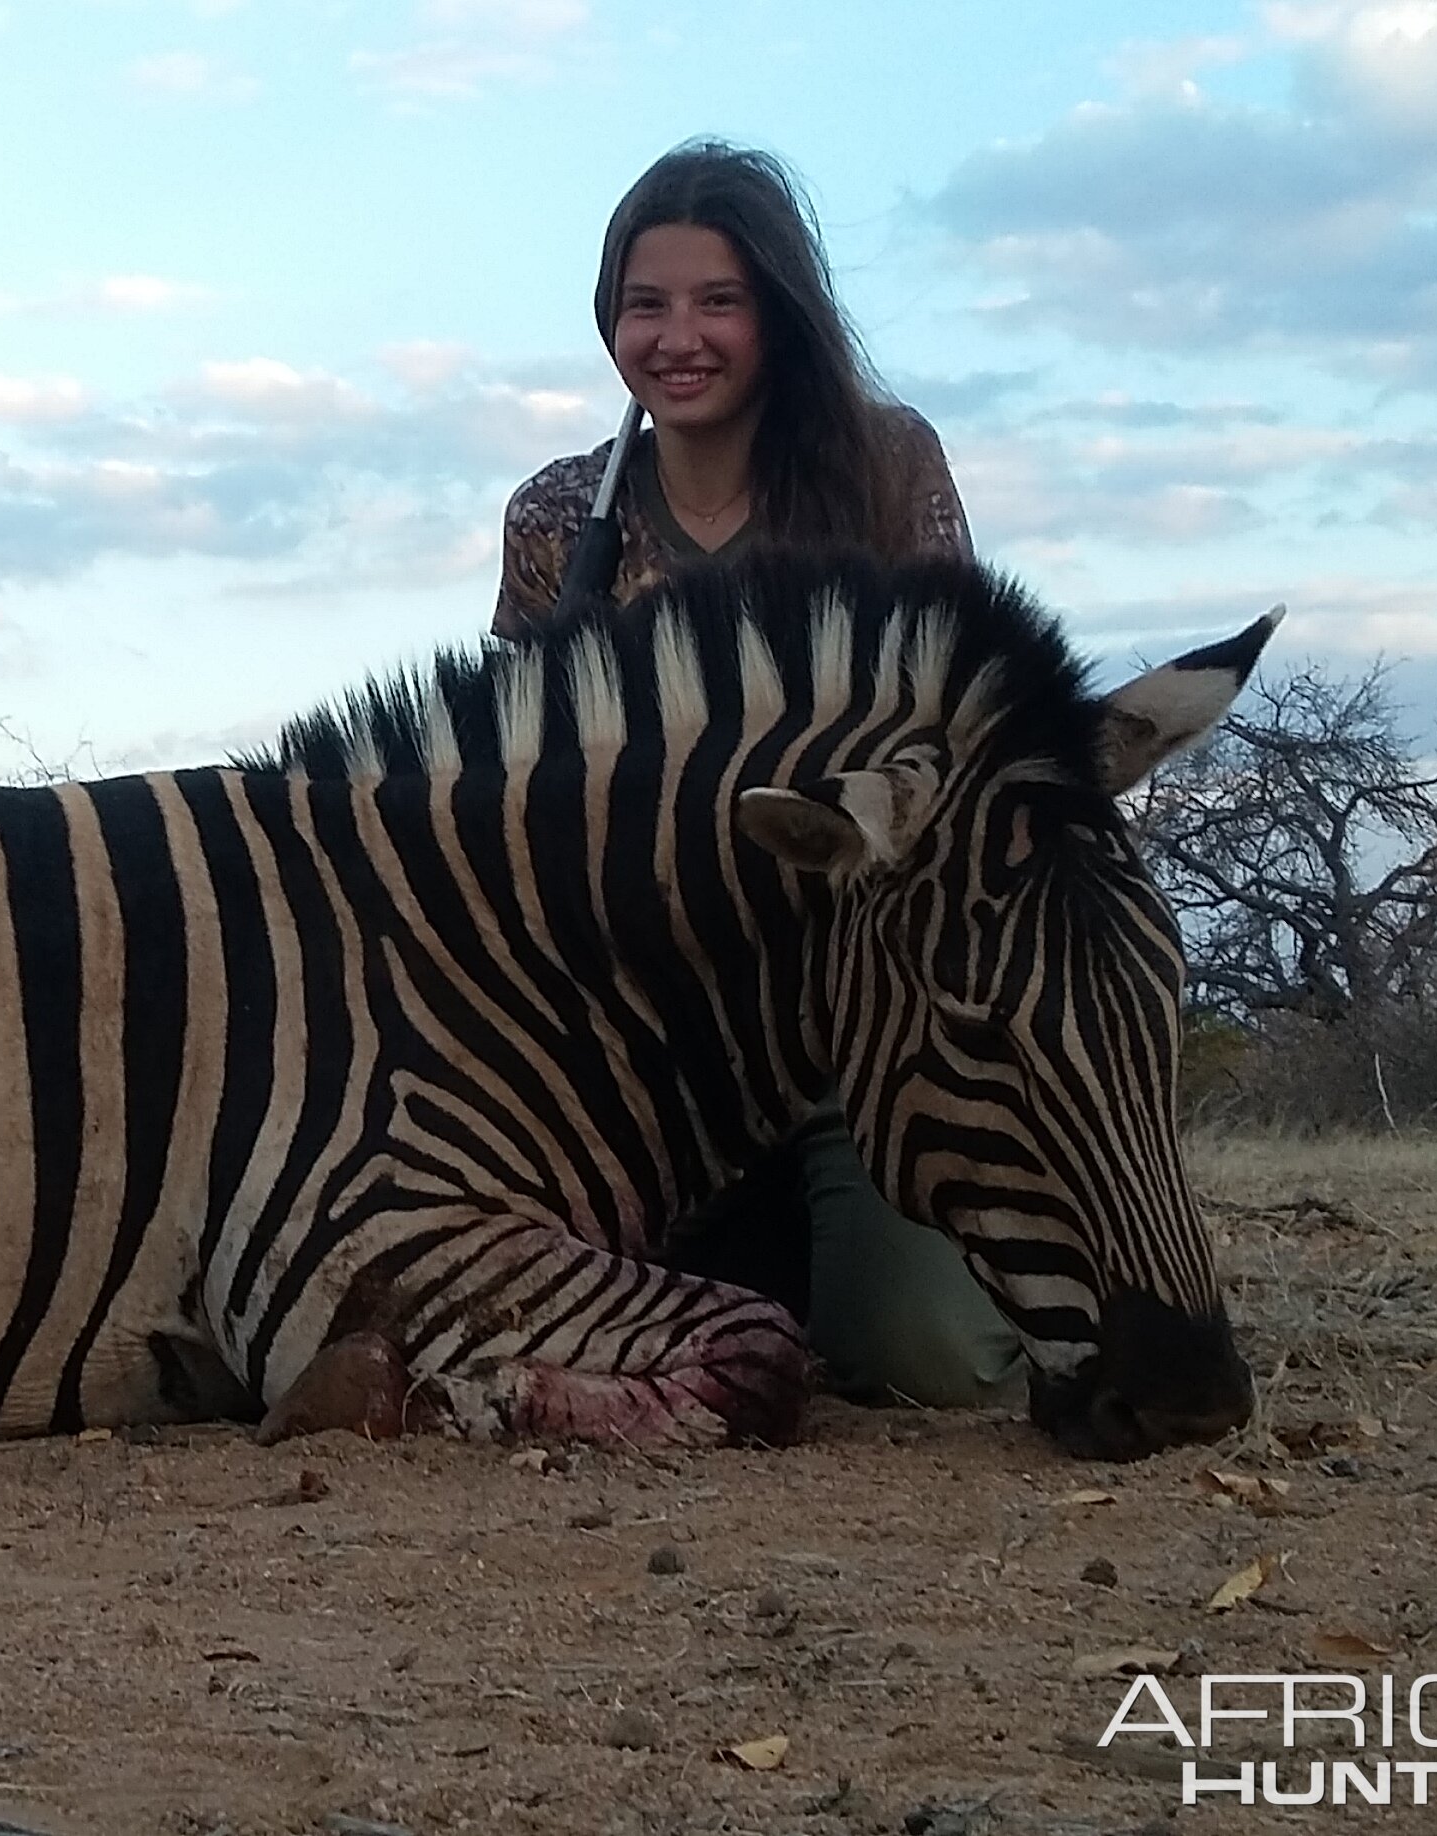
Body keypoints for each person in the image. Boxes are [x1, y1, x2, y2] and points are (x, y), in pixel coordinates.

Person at [495, 139, 1022, 1411]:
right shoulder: (558, 515)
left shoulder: (891, 469)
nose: (678, 338)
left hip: (851, 1029)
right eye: (645, 304)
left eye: (717, 301)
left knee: (932, 1364)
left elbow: (959, 752)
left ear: (779, 312)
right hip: (640, 1045)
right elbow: (500, 784)